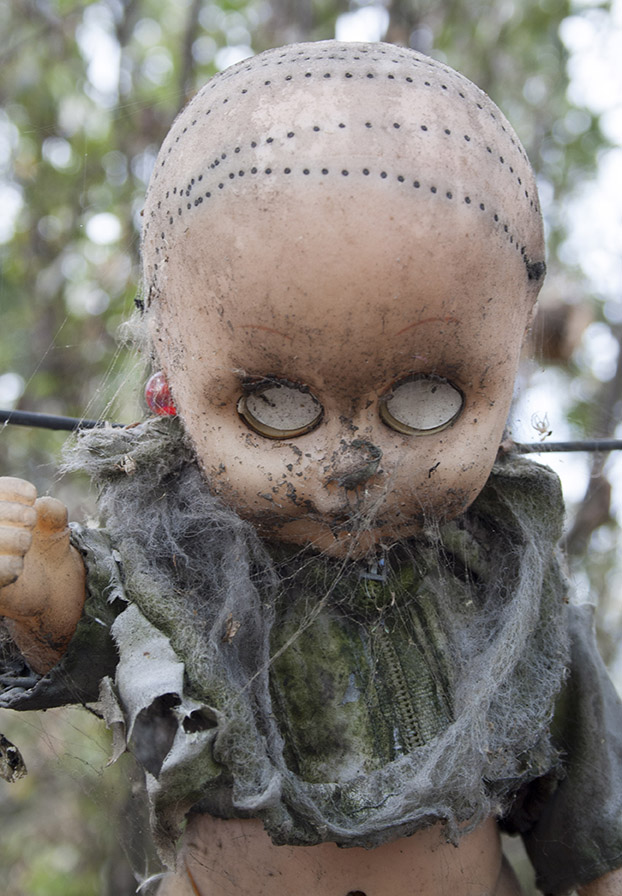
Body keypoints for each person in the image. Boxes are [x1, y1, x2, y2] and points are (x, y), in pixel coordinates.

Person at [1, 41, 622, 895]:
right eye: (276, 407)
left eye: (429, 401)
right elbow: (100, 624)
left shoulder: (515, 596)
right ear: (175, 370)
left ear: (508, 361)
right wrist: (44, 596)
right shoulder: (177, 568)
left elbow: (591, 819)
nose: (351, 466)